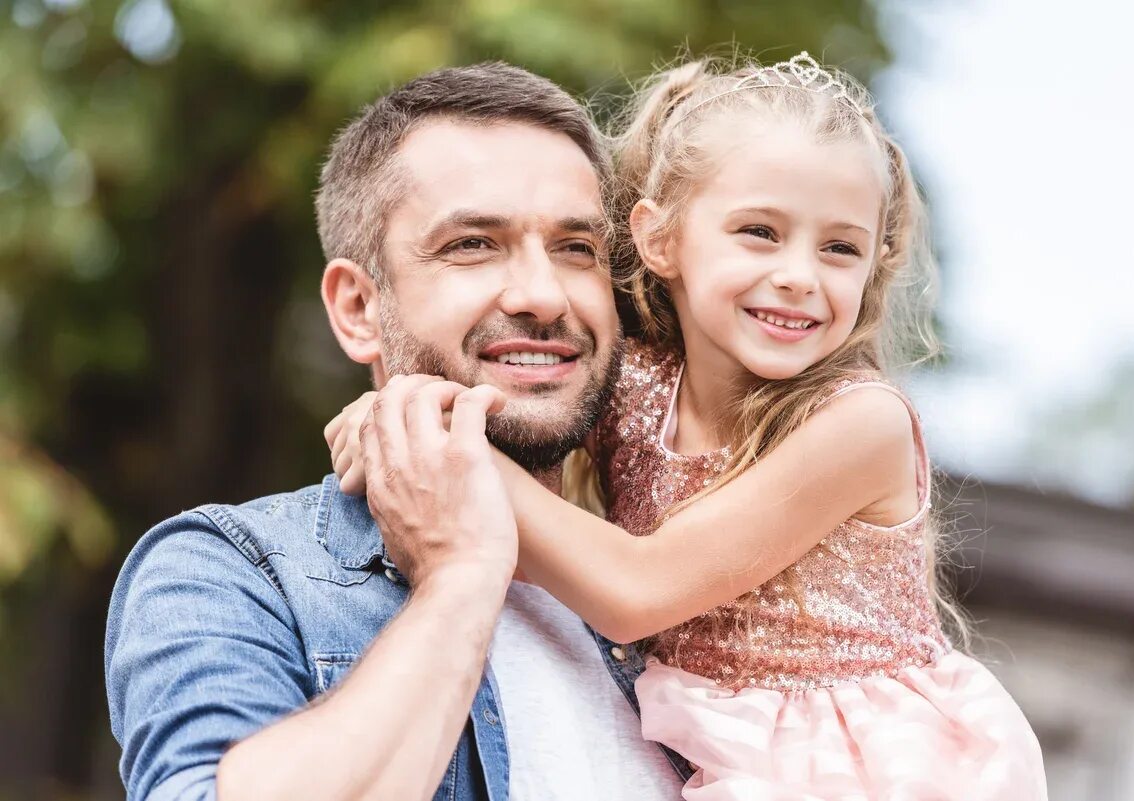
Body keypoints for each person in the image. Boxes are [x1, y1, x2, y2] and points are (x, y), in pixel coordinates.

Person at [328, 54, 1049, 799]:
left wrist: (434, 436)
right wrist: (409, 406)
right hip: (707, 739)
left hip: (852, 762)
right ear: (659, 237)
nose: (801, 273)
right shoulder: (632, 385)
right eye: (760, 232)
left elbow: (638, 589)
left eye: (840, 247)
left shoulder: (862, 424)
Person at [104, 62, 688, 801]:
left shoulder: (682, 610)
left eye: (577, 248)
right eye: (474, 243)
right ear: (356, 308)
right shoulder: (227, 571)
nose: (543, 295)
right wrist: (457, 578)